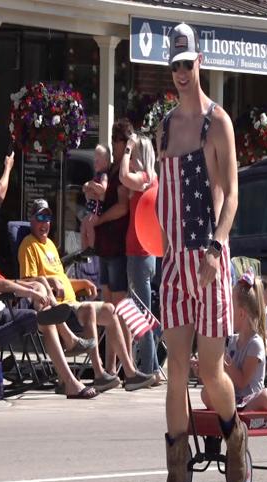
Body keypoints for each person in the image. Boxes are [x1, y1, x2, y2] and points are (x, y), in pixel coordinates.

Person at [156, 23, 243, 482]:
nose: (181, 73)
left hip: (210, 260)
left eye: (187, 65)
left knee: (210, 373)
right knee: (174, 369)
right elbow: (160, 195)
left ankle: (235, 439)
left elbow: (231, 195)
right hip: (173, 262)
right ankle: (177, 478)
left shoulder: (218, 122)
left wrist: (215, 247)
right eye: (175, 66)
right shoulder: (166, 125)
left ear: (200, 63)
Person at [18, 198, 154, 392]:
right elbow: (27, 280)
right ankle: (99, 374)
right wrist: (50, 282)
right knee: (90, 308)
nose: (44, 222)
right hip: (57, 307)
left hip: (71, 303)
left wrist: (81, 283)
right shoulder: (28, 245)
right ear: (31, 219)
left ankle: (130, 374)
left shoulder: (50, 245)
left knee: (110, 309)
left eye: (48, 217)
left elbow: (62, 281)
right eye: (40, 217)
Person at [0, 215, 97, 399]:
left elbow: (4, 283)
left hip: (1, 312)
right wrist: (31, 293)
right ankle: (70, 379)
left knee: (41, 293)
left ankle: (69, 348)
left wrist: (31, 286)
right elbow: (2, 286)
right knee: (46, 319)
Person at [119, 133, 161, 382]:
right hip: (144, 254)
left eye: (135, 156)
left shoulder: (145, 179)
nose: (131, 159)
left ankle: (149, 370)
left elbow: (125, 176)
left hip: (139, 254)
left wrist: (127, 150)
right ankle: (153, 366)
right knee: (143, 311)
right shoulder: (152, 179)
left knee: (141, 314)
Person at [201, 270, 267, 412]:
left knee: (266, 396)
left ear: (241, 313)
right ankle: (231, 416)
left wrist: (224, 359)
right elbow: (224, 375)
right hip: (232, 398)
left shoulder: (255, 344)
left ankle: (234, 418)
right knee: (206, 392)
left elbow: (241, 382)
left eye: (230, 309)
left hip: (249, 399)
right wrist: (204, 369)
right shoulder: (232, 341)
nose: (227, 313)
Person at [93, 119, 131, 306]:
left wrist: (100, 220)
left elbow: (123, 207)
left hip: (117, 246)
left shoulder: (126, 170)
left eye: (117, 140)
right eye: (113, 139)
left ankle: (123, 337)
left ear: (126, 143)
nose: (114, 144)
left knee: (119, 305)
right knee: (107, 305)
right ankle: (108, 337)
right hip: (104, 245)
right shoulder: (110, 169)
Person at [81, 144, 110, 250]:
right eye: (95, 160)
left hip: (97, 209)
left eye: (98, 160)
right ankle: (84, 249)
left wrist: (92, 185)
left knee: (89, 225)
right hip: (90, 208)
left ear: (106, 162)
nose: (95, 163)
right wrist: (86, 187)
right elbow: (87, 188)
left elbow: (103, 188)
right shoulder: (96, 176)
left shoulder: (103, 176)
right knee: (83, 226)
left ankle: (92, 248)